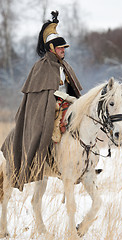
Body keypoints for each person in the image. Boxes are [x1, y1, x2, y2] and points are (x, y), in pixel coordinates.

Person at [1, 11, 82, 191]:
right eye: (61, 48)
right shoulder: (41, 67)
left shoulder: (64, 66)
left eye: (64, 48)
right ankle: (43, 162)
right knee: (45, 128)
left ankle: (81, 163)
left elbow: (72, 90)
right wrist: (61, 99)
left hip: (66, 105)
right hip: (47, 108)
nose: (63, 50)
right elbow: (41, 98)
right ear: (52, 48)